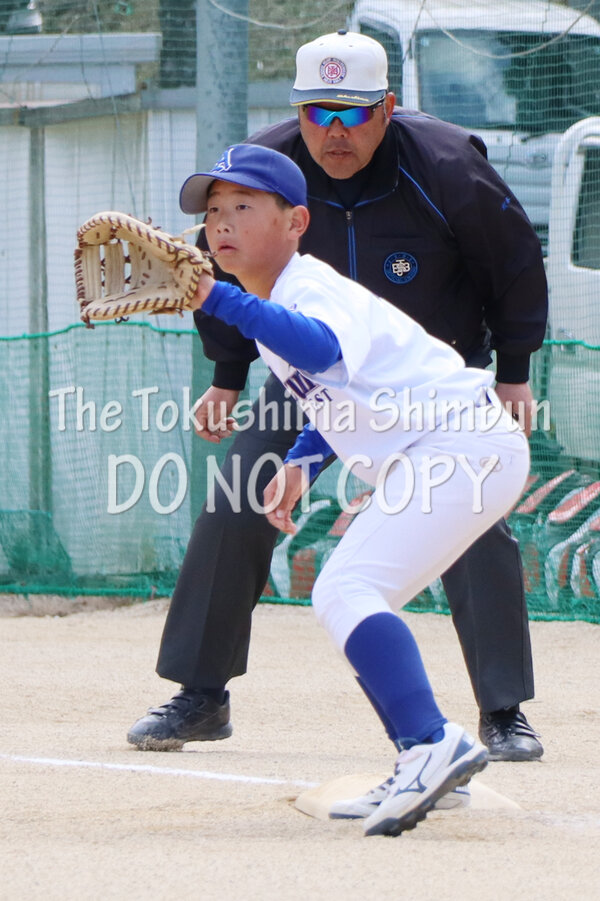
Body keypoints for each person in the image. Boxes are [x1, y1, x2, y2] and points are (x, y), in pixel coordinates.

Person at [127, 30, 547, 762]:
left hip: (425, 383)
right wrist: (228, 378)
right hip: (310, 379)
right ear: (298, 111)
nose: (335, 130)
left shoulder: (446, 165)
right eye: (318, 112)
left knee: (471, 518)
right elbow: (220, 277)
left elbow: (511, 262)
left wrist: (514, 368)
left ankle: (502, 709)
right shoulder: (260, 172)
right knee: (241, 493)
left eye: (352, 111)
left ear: (388, 108)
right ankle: (201, 693)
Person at [174, 141, 530, 836]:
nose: (222, 223)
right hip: (451, 450)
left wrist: (217, 298)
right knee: (353, 592)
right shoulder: (278, 299)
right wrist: (303, 460)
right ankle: (430, 760)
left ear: (296, 223)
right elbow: (343, 391)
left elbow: (321, 349)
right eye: (213, 211)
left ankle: (430, 746)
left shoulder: (309, 289)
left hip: (460, 445)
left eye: (243, 205)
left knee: (346, 587)